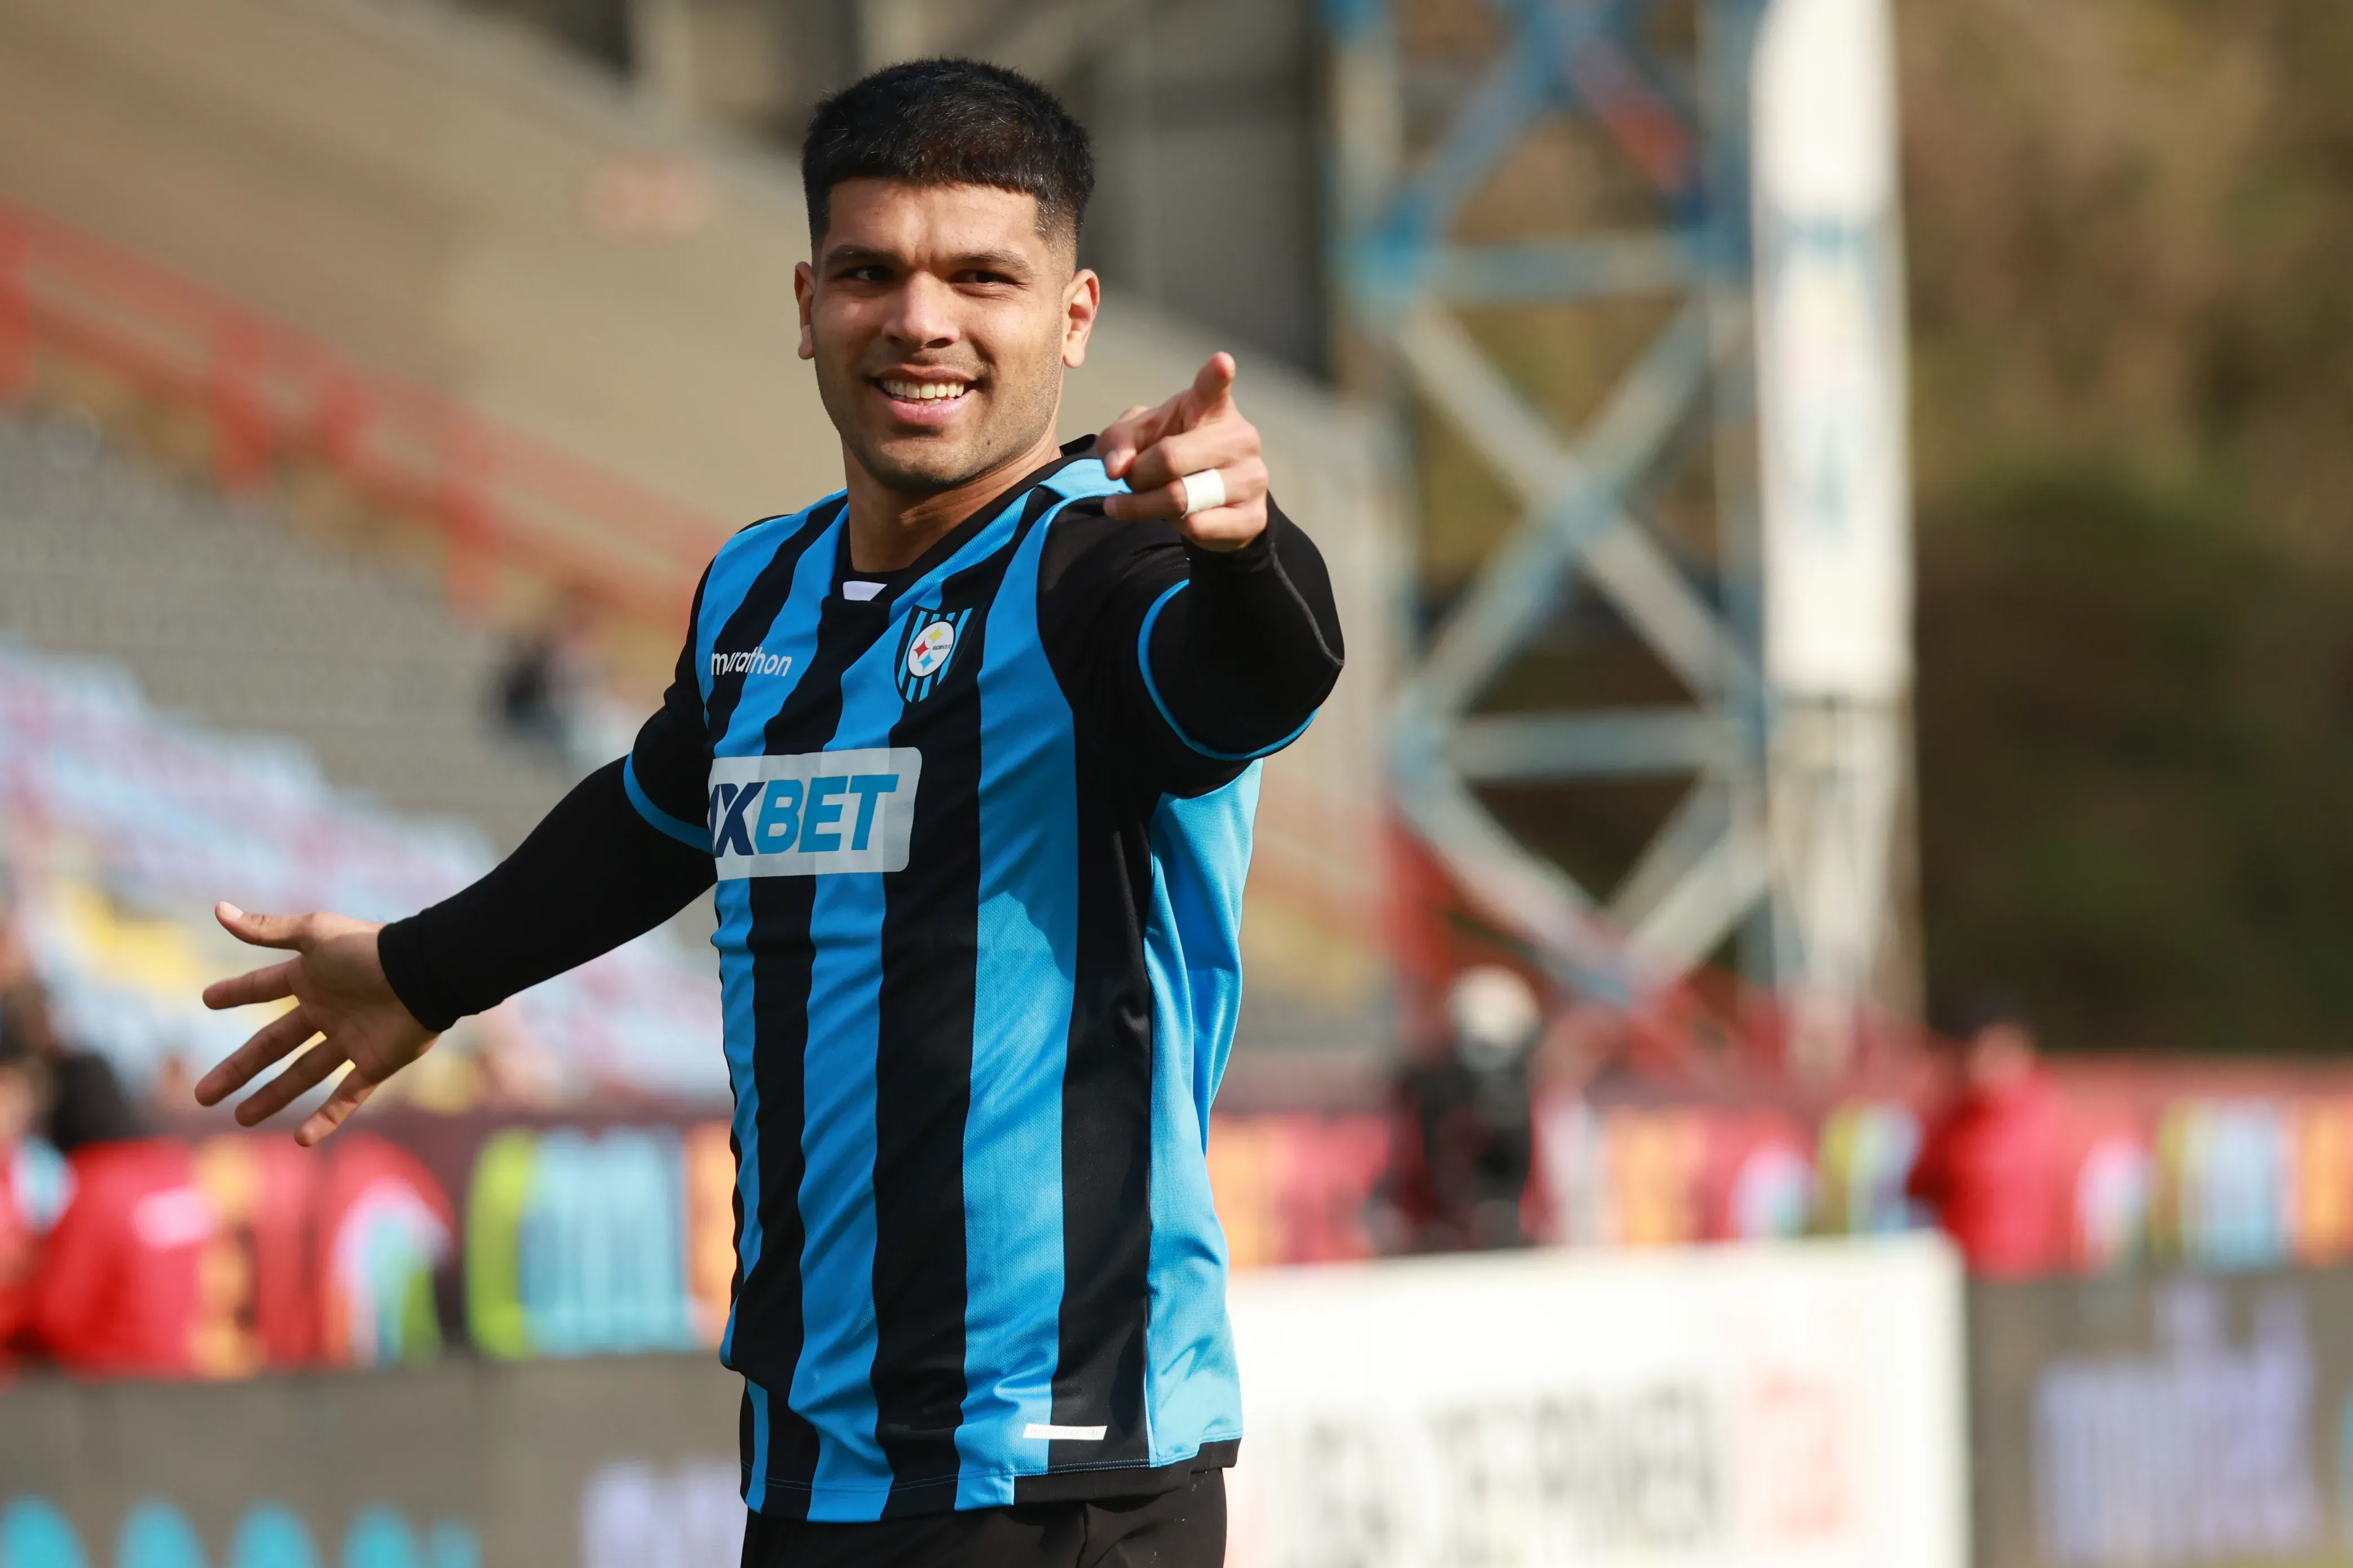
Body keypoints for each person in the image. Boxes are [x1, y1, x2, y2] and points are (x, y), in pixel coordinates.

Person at [192, 59, 1341, 1568]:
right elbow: (655, 819)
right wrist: (423, 970)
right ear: (807, 303)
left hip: (1056, 1469)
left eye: (980, 277)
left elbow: (1258, 677)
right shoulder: (759, 590)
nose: (919, 319)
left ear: (1072, 316)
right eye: (871, 272)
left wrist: (1248, 550)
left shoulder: (1104, 570)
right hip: (813, 1463)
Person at [1905, 993, 2066, 1277]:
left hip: (2037, 1274)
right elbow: (1920, 1186)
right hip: (1970, 1272)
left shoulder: (2047, 1112)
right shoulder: (1959, 1119)